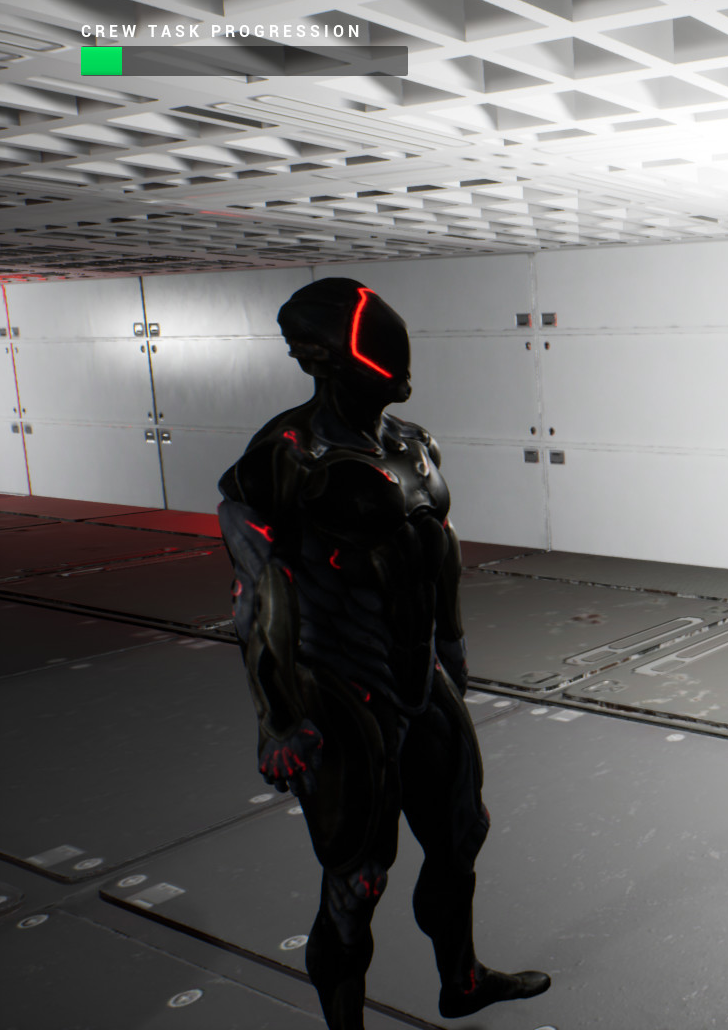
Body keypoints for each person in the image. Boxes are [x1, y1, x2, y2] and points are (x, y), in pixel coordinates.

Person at [217, 278, 549, 1029]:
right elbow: (257, 590)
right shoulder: (284, 456)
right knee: (358, 881)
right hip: (341, 683)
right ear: (319, 358)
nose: (395, 370)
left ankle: (461, 981)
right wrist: (278, 718)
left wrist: (452, 645)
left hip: (419, 675)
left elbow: (439, 548)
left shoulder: (413, 443)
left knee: (462, 832)